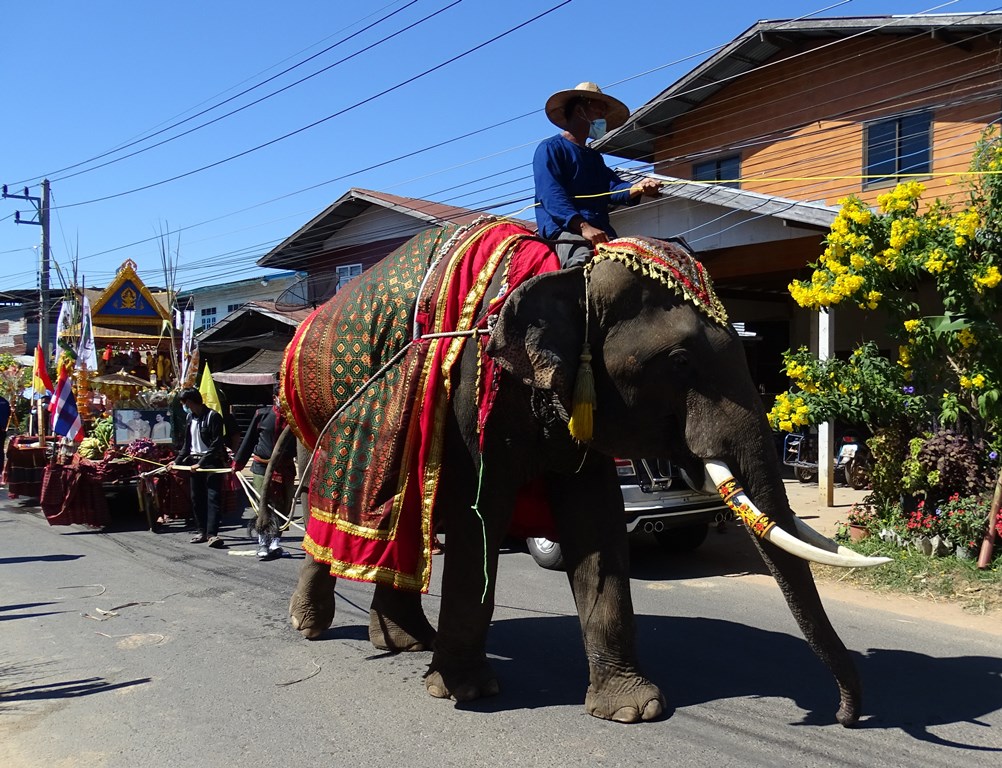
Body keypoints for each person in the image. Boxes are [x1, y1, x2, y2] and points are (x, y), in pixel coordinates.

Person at [533, 81, 663, 268]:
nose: (602, 120)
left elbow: (612, 188)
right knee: (580, 261)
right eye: (598, 113)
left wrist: (640, 187)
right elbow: (551, 195)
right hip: (565, 229)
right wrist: (583, 227)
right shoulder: (550, 149)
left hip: (599, 228)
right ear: (580, 111)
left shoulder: (594, 158)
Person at [232, 386, 297, 560]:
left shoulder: (295, 419)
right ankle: (262, 542)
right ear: (275, 397)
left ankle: (276, 541)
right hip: (262, 468)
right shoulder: (261, 414)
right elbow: (249, 440)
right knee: (263, 505)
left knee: (284, 506)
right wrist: (237, 463)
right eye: (282, 396)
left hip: (286, 468)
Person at [171, 387, 228, 547]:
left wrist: (201, 463)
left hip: (210, 463)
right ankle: (201, 531)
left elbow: (216, 444)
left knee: (213, 498)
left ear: (190, 402)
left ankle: (212, 534)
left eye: (184, 403)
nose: (184, 406)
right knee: (197, 499)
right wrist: (176, 463)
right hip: (193, 463)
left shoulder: (213, 417)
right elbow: (186, 445)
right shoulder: (190, 418)